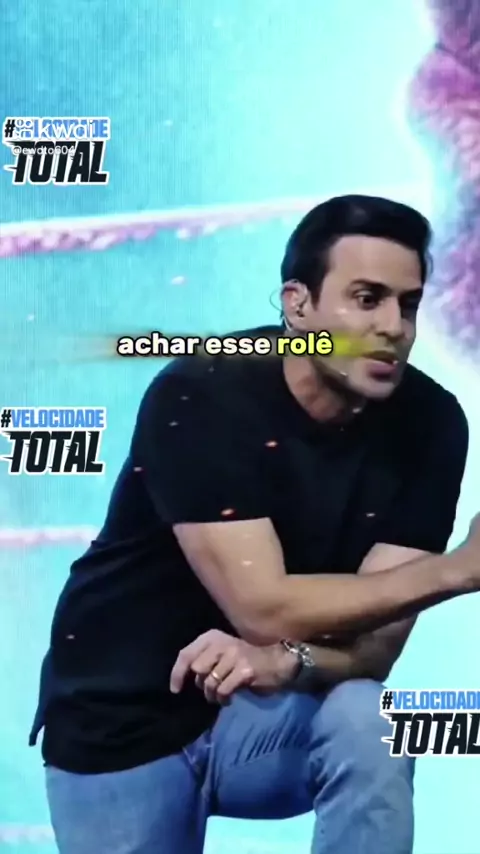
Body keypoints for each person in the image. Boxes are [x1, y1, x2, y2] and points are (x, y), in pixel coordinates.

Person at [30, 194, 478, 854]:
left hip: (264, 716)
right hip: (119, 717)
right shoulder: (205, 391)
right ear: (298, 305)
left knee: (371, 720)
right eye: (366, 299)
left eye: (407, 305)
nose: (392, 327)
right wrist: (457, 571)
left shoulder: (432, 424)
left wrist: (288, 661)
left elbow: (375, 649)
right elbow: (263, 608)